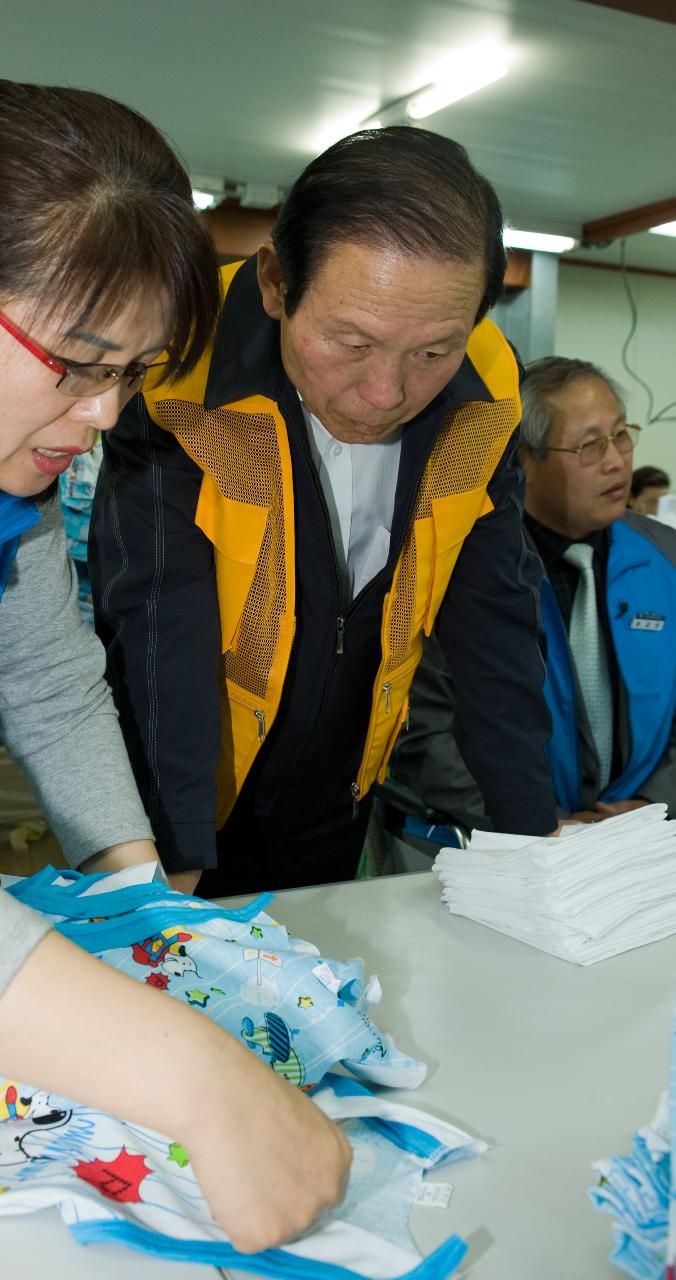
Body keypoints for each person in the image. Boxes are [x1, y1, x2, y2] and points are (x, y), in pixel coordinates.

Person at [0, 79, 350, 1251]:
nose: (106, 411)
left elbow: (57, 688)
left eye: (133, 371)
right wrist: (198, 1078)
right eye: (75, 361)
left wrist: (149, 917)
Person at [90, 125, 557, 899]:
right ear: (276, 282)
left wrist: (532, 841)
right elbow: (155, 624)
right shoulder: (178, 376)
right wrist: (168, 853)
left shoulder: (487, 395)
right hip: (186, 782)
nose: (387, 394)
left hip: (340, 787)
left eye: (433, 352)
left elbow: (496, 626)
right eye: (351, 342)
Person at [392, 357, 676, 829]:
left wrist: (654, 804)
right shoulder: (463, 568)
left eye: (621, 435)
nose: (616, 460)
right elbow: (424, 731)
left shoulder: (666, 558)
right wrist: (538, 824)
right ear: (523, 460)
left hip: (638, 844)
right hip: (495, 846)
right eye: (589, 446)